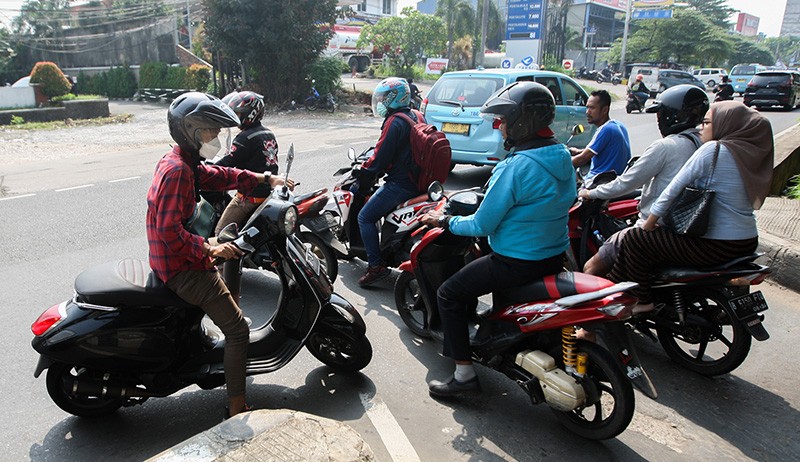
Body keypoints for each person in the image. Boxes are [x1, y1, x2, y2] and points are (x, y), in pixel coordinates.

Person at [420, 82, 576, 397]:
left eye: (503, 120)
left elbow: (482, 224)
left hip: (516, 262)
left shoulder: (516, 167)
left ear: (521, 122)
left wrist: (445, 221)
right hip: (554, 256)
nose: (499, 126)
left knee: (449, 294)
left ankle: (464, 376)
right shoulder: (561, 154)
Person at [147, 92, 293, 418]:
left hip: (176, 258)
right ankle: (237, 406)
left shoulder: (181, 162)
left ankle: (223, 314)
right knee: (239, 331)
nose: (215, 137)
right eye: (211, 130)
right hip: (182, 267)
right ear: (192, 130)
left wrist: (266, 178)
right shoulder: (178, 172)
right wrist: (210, 247)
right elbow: (170, 232)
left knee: (229, 254)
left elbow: (221, 175)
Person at [608, 100, 773, 314]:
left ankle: (642, 300)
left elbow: (672, 190)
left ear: (725, 125)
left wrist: (649, 223)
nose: (701, 128)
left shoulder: (713, 150)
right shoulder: (749, 154)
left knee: (634, 239)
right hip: (747, 242)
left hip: (714, 245)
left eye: (706, 123)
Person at [579, 85, 708, 276]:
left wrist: (590, 192)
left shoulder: (666, 146)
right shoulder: (705, 144)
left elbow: (626, 183)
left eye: (661, 114)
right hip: (689, 229)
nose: (658, 120)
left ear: (674, 115)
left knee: (591, 268)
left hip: (658, 227)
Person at [355, 77, 422, 287]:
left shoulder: (395, 122)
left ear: (394, 98)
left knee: (365, 216)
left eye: (384, 98)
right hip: (423, 181)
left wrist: (363, 177)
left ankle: (375, 266)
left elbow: (380, 157)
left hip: (401, 184)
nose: (381, 102)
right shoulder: (417, 115)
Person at [213, 91, 279, 237]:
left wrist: (207, 169)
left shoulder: (245, 137)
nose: (236, 116)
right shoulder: (268, 133)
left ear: (250, 113)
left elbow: (228, 162)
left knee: (220, 234)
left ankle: (227, 257)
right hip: (268, 192)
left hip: (249, 197)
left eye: (238, 113)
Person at [569, 90, 631, 180]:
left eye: (592, 108)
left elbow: (582, 159)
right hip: (616, 180)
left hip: (599, 182)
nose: (587, 112)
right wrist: (577, 151)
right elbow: (596, 151)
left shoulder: (606, 130)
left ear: (605, 110)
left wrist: (558, 162)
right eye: (587, 108)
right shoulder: (618, 125)